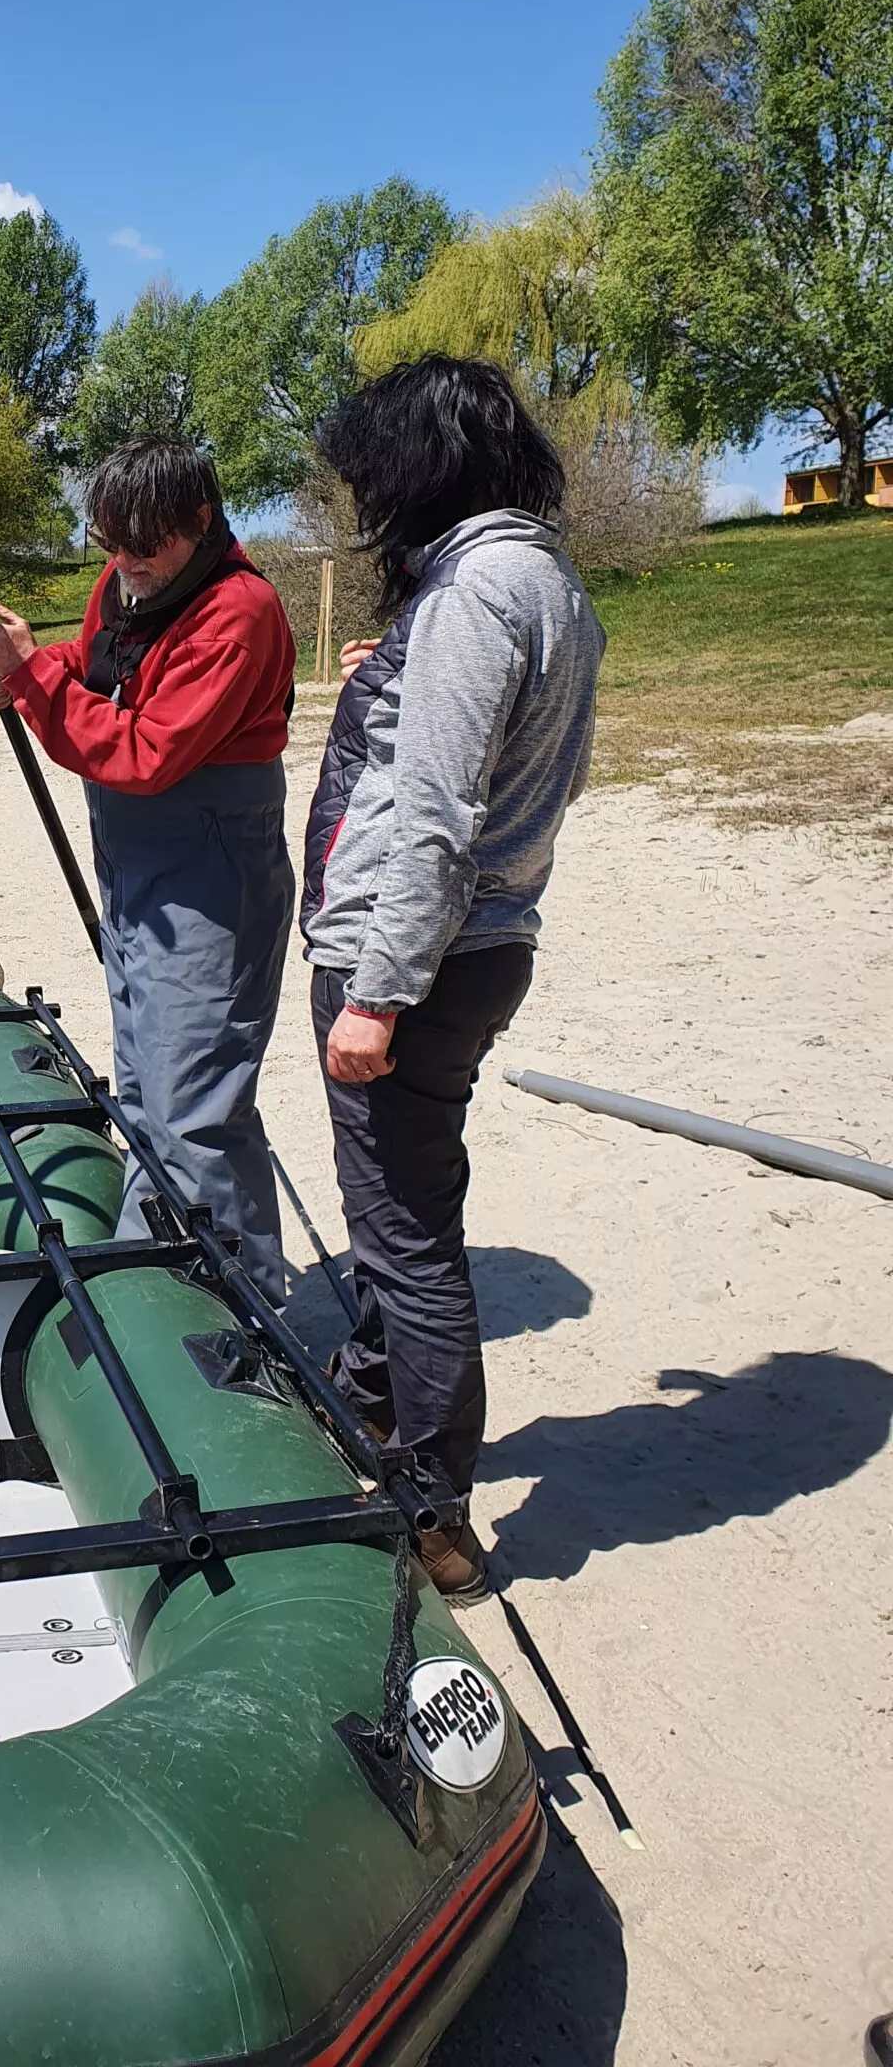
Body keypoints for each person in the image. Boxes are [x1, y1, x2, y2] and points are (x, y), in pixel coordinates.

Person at [300, 355, 604, 1599]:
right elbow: (541, 760)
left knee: (410, 1236)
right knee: (403, 1206)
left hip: (414, 957)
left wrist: (377, 989)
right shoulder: (544, 581)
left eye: (373, 474)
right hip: (488, 945)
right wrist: (402, 667)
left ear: (420, 468)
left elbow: (435, 809)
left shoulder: (476, 591)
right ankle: (374, 1420)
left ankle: (433, 1511)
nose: (366, 501)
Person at [0, 437, 297, 1297]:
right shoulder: (126, 583)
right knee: (145, 1088)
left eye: (146, 548)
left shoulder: (239, 612)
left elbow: (143, 751)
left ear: (200, 522)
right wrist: (19, 671)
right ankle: (206, 1278)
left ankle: (203, 1305)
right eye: (111, 546)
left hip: (212, 872)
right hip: (137, 869)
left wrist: (30, 680)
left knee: (190, 1104)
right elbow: (87, 667)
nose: (126, 566)